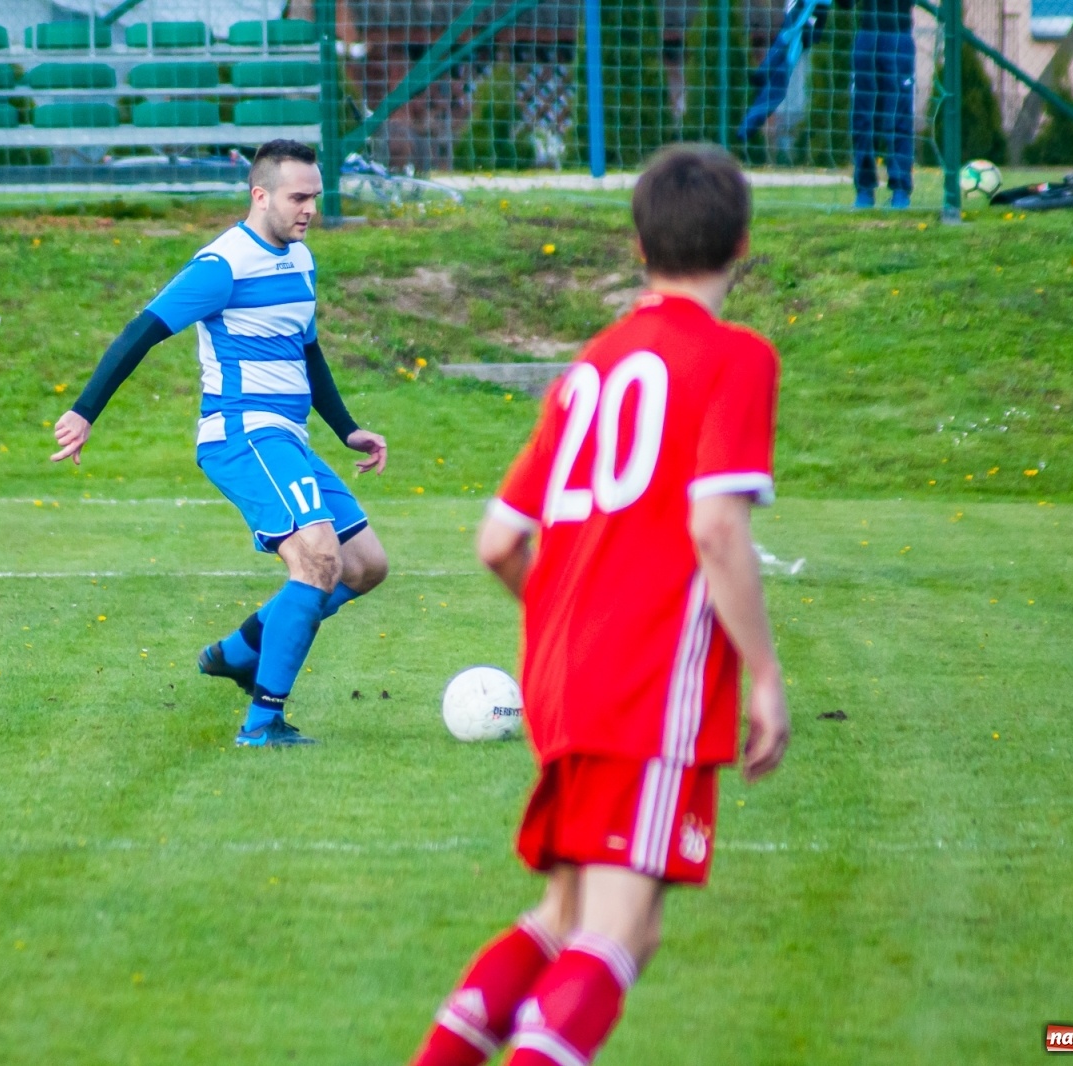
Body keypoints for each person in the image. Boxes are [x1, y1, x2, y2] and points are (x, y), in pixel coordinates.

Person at [406, 146, 790, 1066]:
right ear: (742, 243)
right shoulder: (734, 359)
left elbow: (499, 540)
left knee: (565, 915)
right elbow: (716, 529)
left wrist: (566, 624)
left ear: (636, 245)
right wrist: (767, 677)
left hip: (561, 676)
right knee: (619, 933)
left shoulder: (595, 364)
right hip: (648, 683)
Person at [49, 139, 389, 748]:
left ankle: (239, 652)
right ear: (260, 196)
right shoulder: (222, 265)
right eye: (298, 197)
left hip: (286, 436)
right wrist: (84, 412)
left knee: (364, 566)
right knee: (315, 559)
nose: (310, 208)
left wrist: (347, 428)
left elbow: (306, 351)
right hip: (242, 433)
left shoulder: (300, 260)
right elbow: (141, 331)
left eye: (315, 196)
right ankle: (263, 723)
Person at [842, 0, 916, 208]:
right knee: (863, 118)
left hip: (898, 35)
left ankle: (900, 190)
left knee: (898, 117)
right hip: (867, 35)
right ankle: (864, 190)